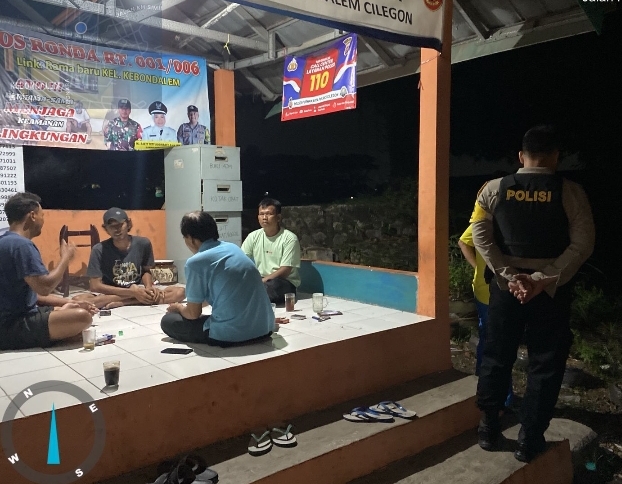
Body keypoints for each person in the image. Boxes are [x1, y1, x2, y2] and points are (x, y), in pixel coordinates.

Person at [472, 125, 595, 463]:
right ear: (556, 156)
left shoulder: (493, 189)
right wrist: (542, 279)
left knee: (496, 356)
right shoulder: (571, 192)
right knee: (546, 364)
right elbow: (583, 243)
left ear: (521, 156)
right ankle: (529, 438)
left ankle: (488, 428)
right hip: (550, 293)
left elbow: (480, 235)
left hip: (505, 291)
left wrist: (509, 275)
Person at [161, 211, 278, 347]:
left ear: (191, 239)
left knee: (168, 320)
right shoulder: (233, 248)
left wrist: (179, 307)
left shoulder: (195, 262)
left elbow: (193, 314)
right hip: (265, 328)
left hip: (232, 335)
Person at [0, 192, 95, 351]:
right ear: (32, 216)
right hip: (11, 326)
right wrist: (65, 258)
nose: (43, 220)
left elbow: (33, 294)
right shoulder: (22, 245)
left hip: (12, 317)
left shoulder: (6, 242)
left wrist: (67, 303)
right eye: (42, 215)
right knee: (82, 317)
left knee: (74, 309)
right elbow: (45, 287)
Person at [74, 207, 185, 309]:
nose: (117, 229)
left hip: (137, 288)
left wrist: (148, 287)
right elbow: (95, 286)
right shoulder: (99, 249)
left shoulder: (143, 243)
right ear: (106, 229)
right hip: (112, 291)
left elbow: (146, 271)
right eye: (112, 226)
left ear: (128, 224)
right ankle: (134, 299)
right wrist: (132, 293)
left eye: (120, 225)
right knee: (78, 301)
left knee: (180, 292)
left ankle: (125, 302)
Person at [459, 219, 514, 408]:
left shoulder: (485, 217)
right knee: (499, 344)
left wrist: (478, 268)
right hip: (493, 291)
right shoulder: (491, 218)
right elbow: (463, 242)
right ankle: (500, 398)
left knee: (490, 341)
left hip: (493, 289)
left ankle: (484, 389)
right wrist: (478, 267)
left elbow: (463, 242)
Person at [241, 198, 301, 304]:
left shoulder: (289, 238)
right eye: (261, 214)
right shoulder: (253, 236)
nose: (264, 218)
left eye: (269, 214)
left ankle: (250, 298)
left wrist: (261, 281)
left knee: (273, 286)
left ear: (278, 217)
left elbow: (285, 270)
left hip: (283, 282)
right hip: (261, 280)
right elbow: (241, 260)